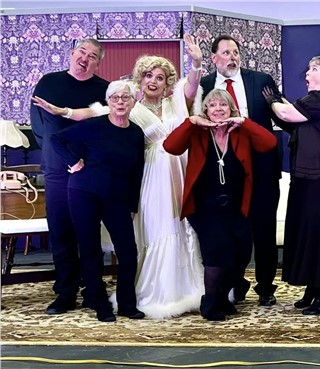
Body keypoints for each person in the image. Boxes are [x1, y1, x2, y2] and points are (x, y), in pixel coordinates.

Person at [32, 35, 206, 319]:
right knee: (145, 232)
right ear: (140, 80)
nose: (153, 80)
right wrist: (61, 112)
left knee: (174, 231)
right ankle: (125, 295)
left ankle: (177, 290)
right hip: (145, 176)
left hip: (176, 172)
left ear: (166, 82)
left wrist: (196, 62)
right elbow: (92, 113)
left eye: (160, 77)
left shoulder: (176, 102)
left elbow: (192, 86)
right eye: (148, 75)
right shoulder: (129, 110)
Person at [163, 89, 277, 321]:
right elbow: (171, 147)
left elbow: (270, 143)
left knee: (241, 255)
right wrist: (191, 121)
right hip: (206, 206)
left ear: (231, 109)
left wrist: (244, 122)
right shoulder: (197, 133)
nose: (218, 109)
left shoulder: (240, 132)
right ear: (206, 111)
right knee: (217, 253)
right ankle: (210, 302)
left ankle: (224, 297)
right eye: (212, 106)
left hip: (237, 206)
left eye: (223, 105)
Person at [49, 80, 145, 322]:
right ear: (108, 102)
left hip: (118, 199)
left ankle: (126, 304)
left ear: (134, 102)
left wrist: (133, 204)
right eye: (115, 98)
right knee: (90, 249)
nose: (120, 102)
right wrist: (73, 161)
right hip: (84, 193)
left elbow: (137, 171)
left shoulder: (135, 133)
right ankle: (99, 302)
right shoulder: (93, 126)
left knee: (128, 251)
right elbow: (56, 139)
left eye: (126, 97)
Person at [263, 54, 320, 315]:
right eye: (308, 68)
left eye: (314, 69)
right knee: (308, 234)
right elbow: (292, 123)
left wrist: (273, 101)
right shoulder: (313, 105)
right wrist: (278, 106)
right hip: (308, 177)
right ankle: (313, 289)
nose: (307, 73)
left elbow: (287, 114)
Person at [201, 35, 284, 307]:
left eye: (236, 52)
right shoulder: (203, 86)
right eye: (226, 52)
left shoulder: (261, 81)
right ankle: (235, 284)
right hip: (223, 175)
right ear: (214, 58)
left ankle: (266, 287)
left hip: (261, 170)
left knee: (264, 231)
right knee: (232, 233)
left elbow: (281, 115)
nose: (232, 57)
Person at [29, 38, 109, 315]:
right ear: (72, 53)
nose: (85, 59)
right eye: (81, 52)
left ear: (99, 62)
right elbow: (40, 127)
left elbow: (104, 129)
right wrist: (63, 157)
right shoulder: (49, 83)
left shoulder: (104, 89)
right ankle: (65, 292)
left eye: (92, 56)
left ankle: (92, 289)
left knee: (88, 233)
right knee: (61, 232)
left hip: (90, 171)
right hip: (57, 170)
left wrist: (87, 159)